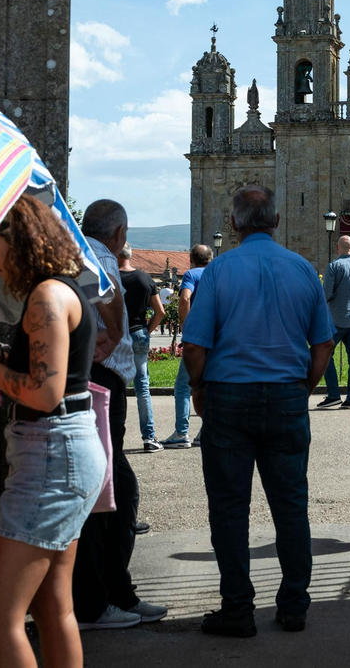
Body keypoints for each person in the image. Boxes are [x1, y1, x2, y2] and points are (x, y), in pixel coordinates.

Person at [0, 196, 99, 668]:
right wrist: (8, 352)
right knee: (53, 607)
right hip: (65, 451)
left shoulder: (46, 297)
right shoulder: (60, 290)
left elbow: (44, 393)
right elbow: (57, 367)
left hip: (52, 457)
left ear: (19, 244)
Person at [181, 185, 336, 637]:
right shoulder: (303, 270)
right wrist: (303, 386)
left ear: (233, 224)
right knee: (291, 507)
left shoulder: (219, 269)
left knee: (229, 508)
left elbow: (193, 344)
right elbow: (322, 343)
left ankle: (237, 609)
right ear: (277, 220)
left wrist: (198, 386)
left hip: (228, 398)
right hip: (287, 396)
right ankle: (293, 606)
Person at [72, 201, 168, 630]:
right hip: (100, 379)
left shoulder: (77, 250)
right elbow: (108, 294)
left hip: (97, 377)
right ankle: (100, 599)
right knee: (110, 494)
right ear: (119, 232)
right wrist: (112, 334)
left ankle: (114, 592)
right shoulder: (101, 256)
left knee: (113, 491)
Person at [162, 244, 212, 447]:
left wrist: (185, 325)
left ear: (191, 259)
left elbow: (184, 298)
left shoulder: (191, 275)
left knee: (183, 385)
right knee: (209, 384)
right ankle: (205, 430)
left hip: (197, 337)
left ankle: (182, 432)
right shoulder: (218, 274)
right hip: (216, 338)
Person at [119, 244, 167, 452]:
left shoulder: (108, 278)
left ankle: (113, 436)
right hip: (139, 331)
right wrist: (147, 330)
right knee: (143, 389)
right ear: (131, 255)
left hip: (117, 335)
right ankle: (149, 438)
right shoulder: (144, 278)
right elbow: (160, 311)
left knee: (116, 388)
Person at [318, 234, 350, 410]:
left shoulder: (334, 267)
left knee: (324, 355)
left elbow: (326, 295)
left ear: (337, 248)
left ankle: (333, 394)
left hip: (336, 320)